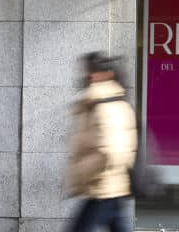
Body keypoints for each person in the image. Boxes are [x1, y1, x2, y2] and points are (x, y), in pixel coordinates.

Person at [67, 52, 137, 232]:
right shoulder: (101, 102)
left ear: (106, 74)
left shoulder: (105, 105)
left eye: (91, 71)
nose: (87, 76)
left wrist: (84, 171)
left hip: (101, 185)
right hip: (109, 186)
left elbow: (111, 151)